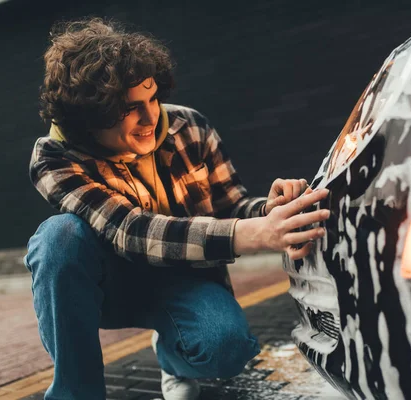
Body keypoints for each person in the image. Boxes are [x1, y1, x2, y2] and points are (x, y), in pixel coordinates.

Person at [24, 17, 330, 400]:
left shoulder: (190, 127)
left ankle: (172, 356)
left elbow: (230, 205)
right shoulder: (54, 155)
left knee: (227, 348)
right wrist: (251, 235)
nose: (151, 117)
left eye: (152, 99)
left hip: (183, 277)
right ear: (89, 113)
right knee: (59, 236)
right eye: (129, 108)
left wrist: (270, 211)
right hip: (107, 287)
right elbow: (129, 230)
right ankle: (77, 393)